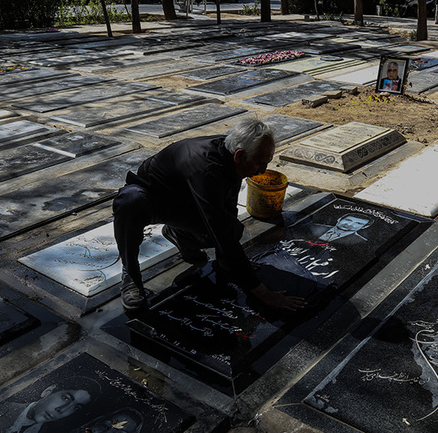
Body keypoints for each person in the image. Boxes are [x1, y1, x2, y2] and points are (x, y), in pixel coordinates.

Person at [112, 117, 307, 312]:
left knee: (234, 229)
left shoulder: (232, 151)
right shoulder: (207, 167)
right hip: (156, 197)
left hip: (189, 199)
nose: (263, 170)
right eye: (260, 164)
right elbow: (220, 229)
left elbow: (227, 213)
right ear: (240, 156)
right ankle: (130, 274)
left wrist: (228, 260)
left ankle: (179, 234)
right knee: (130, 202)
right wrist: (263, 293)